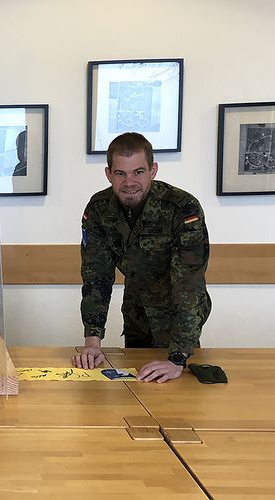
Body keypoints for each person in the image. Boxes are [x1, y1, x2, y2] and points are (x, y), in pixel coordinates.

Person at [72, 132, 211, 383]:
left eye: (138, 172)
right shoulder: (98, 209)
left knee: (180, 398)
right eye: (120, 173)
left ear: (153, 170)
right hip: (136, 316)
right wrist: (92, 341)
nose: (129, 182)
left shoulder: (183, 208)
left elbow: (189, 285)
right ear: (108, 173)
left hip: (179, 322)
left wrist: (178, 358)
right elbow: (96, 278)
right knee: (138, 390)